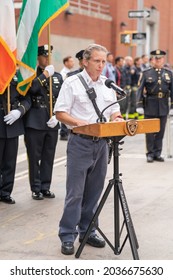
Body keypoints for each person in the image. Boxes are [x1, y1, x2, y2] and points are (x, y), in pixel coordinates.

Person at [54, 43, 124, 255]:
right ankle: (67, 234)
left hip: (102, 145)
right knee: (75, 193)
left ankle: (88, 230)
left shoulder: (107, 85)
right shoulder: (72, 83)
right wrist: (80, 123)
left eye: (104, 61)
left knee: (94, 192)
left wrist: (118, 119)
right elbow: (60, 113)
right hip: (80, 142)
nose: (101, 65)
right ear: (85, 61)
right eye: (97, 61)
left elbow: (114, 111)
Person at [24, 44, 63, 200]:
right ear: (38, 57)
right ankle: (35, 187)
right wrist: (44, 75)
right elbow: (30, 90)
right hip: (34, 121)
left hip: (51, 121)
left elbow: (61, 98)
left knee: (49, 156)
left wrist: (57, 116)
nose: (47, 59)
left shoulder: (58, 76)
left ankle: (45, 186)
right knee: (34, 157)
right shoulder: (30, 75)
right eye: (44, 56)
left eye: (49, 56)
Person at [136, 49, 173, 163]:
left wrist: (172, 107)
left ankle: (158, 153)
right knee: (150, 132)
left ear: (163, 59)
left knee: (160, 132)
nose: (158, 60)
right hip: (150, 104)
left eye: (160, 58)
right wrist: (139, 105)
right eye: (156, 58)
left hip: (163, 105)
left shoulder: (169, 73)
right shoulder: (146, 73)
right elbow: (140, 90)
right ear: (152, 60)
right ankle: (150, 153)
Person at [0, 73, 30, 204]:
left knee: (10, 162)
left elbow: (26, 98)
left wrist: (19, 111)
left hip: (12, 124)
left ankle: (6, 192)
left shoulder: (16, 76)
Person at [60, 56, 75, 140]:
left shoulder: (69, 72)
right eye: (71, 61)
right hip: (65, 95)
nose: (73, 63)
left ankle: (65, 131)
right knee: (64, 113)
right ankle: (63, 132)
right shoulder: (63, 74)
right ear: (66, 63)